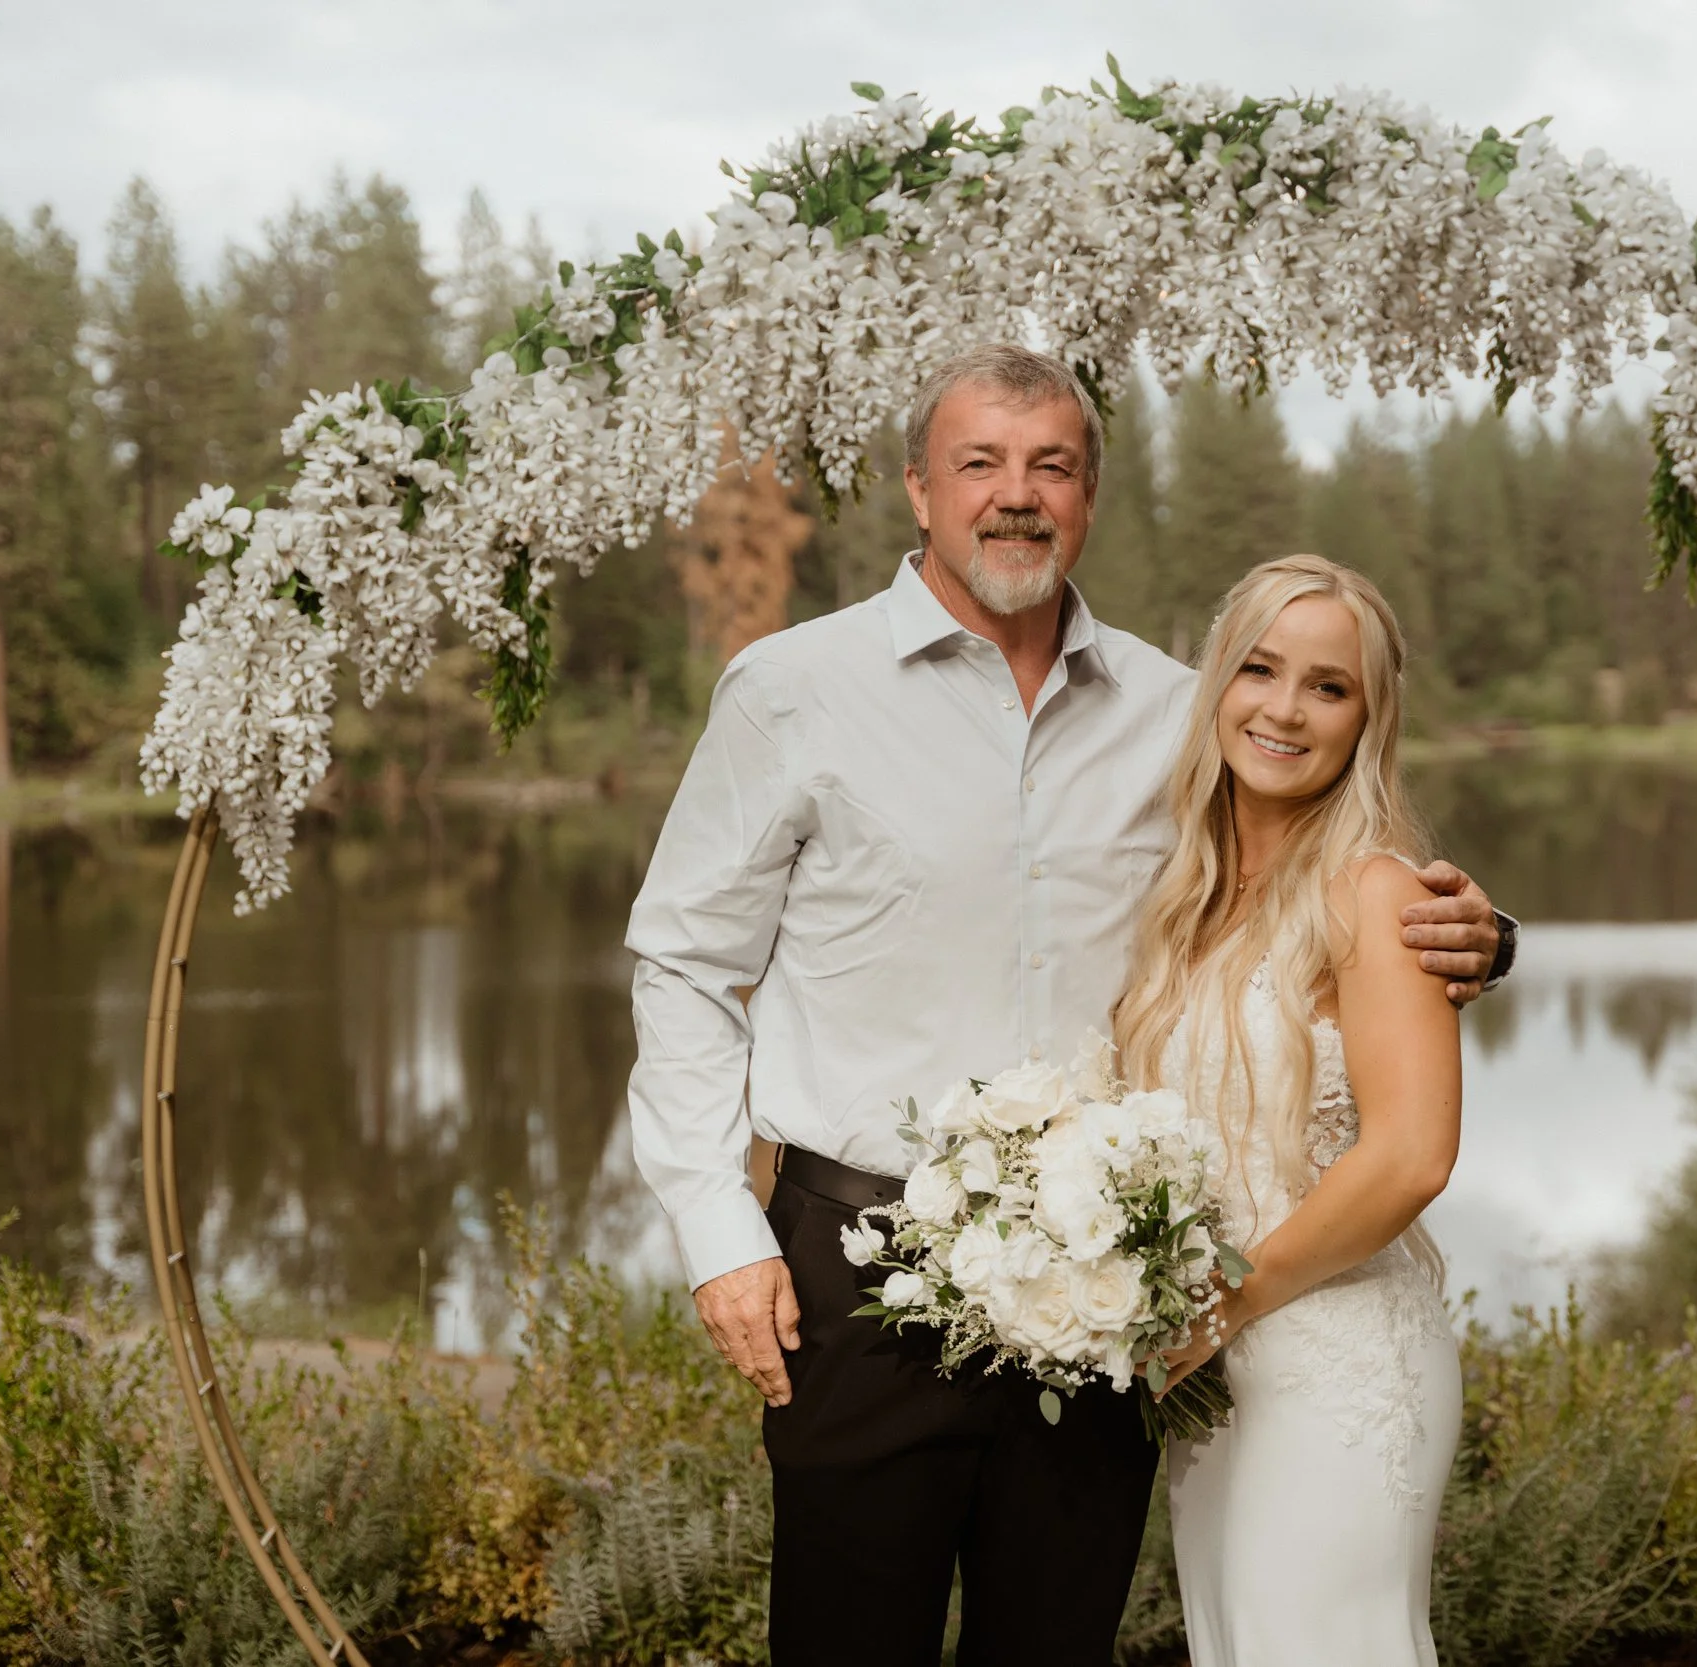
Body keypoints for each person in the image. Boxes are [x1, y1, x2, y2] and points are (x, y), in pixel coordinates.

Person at [623, 345, 1508, 1667]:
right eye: (980, 462)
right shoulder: (793, 689)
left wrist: (1483, 936)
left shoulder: (1178, 712)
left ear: (1090, 495)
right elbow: (684, 959)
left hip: (1106, 1286)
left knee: (1055, 1639)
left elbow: (1310, 884)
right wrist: (716, 1223)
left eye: (1052, 465)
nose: (1016, 495)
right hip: (859, 1265)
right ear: (920, 489)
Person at [1120, 555, 1462, 1666]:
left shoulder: (1375, 890)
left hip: (1329, 1361)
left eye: (1328, 685)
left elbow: (1411, 1155)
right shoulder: (1189, 898)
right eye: (1259, 669)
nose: (1283, 708)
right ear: (1215, 682)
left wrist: (1223, 1304)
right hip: (1211, 1376)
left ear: (1369, 717)